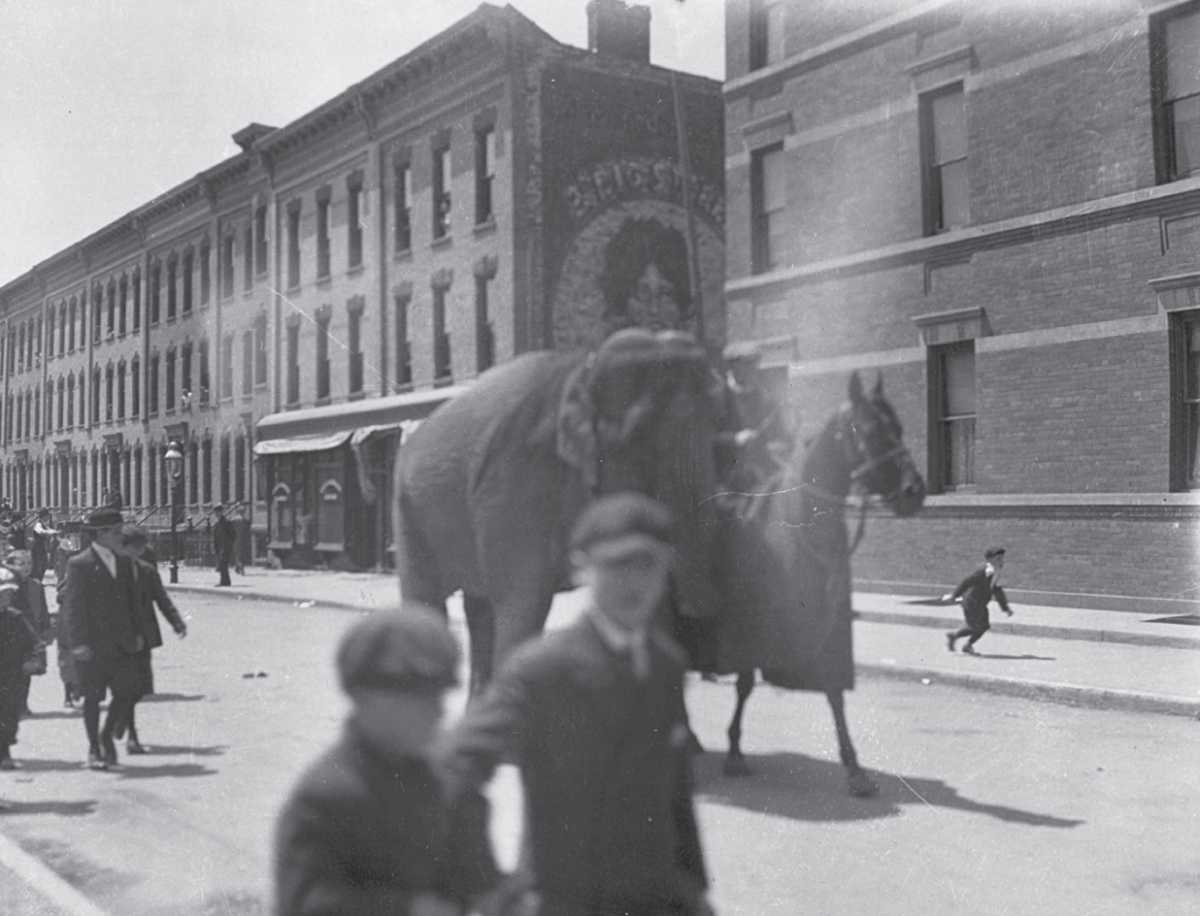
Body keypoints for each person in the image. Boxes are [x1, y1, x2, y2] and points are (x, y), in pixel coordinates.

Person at [440, 493, 712, 916]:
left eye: (650, 565)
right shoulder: (541, 669)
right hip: (565, 902)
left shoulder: (665, 665)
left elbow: (674, 787)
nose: (635, 582)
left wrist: (694, 887)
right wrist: (489, 890)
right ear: (581, 567)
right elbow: (454, 771)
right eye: (617, 565)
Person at [273, 607, 497, 916]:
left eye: (439, 697)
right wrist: (407, 909)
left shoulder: (450, 783)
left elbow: (482, 882)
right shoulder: (324, 799)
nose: (438, 712)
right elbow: (304, 904)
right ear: (367, 698)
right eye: (420, 699)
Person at [61, 508, 144, 770]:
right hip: (92, 646)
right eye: (117, 532)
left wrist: (137, 634)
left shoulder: (124, 561)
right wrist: (78, 644)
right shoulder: (79, 563)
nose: (121, 536)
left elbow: (133, 603)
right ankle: (94, 749)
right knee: (93, 698)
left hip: (122, 643)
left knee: (127, 692)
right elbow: (73, 607)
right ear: (101, 534)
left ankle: (107, 735)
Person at [117, 525, 187, 754]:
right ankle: (131, 735)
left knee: (142, 687)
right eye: (133, 548)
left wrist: (177, 622)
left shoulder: (147, 571)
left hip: (143, 636)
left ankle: (121, 717)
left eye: (140, 549)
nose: (136, 553)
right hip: (119, 638)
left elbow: (161, 599)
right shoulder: (110, 571)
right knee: (126, 686)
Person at [5, 550, 51, 718]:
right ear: (11, 565)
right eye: (21, 563)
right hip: (8, 634)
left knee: (25, 672)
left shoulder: (36, 585)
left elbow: (43, 609)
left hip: (29, 634)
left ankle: (22, 705)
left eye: (29, 563)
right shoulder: (6, 584)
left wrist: (46, 630)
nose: (26, 567)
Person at [944, 546, 1014, 655]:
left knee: (983, 626)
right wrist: (954, 595)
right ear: (990, 559)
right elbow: (967, 582)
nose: (1001, 561)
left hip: (980, 604)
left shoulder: (996, 572)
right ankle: (961, 641)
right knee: (976, 627)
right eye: (998, 558)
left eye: (1002, 558)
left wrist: (1005, 608)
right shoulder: (984, 571)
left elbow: (997, 591)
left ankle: (959, 640)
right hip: (971, 603)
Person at [0, 567, 37, 771]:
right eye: (3, 593)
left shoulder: (15, 617)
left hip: (10, 675)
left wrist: (32, 660)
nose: (7, 597)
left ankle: (5, 749)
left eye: (9, 593)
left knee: (9, 715)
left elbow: (33, 642)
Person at [30, 509, 60, 583]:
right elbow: (41, 532)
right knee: (38, 564)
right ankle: (35, 580)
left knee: (43, 564)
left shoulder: (44, 524)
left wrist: (56, 532)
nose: (48, 517)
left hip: (41, 546)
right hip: (37, 546)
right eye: (47, 516)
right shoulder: (38, 524)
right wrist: (52, 532)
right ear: (43, 516)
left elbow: (49, 530)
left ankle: (38, 580)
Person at [212, 504, 236, 588]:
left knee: (223, 564)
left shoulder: (226, 523)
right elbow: (215, 537)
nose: (217, 514)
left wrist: (228, 544)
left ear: (221, 512)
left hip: (225, 547)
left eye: (218, 512)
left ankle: (225, 582)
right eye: (215, 512)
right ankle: (225, 581)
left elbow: (233, 534)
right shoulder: (217, 524)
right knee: (221, 565)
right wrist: (215, 547)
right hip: (219, 547)